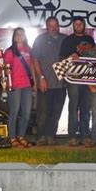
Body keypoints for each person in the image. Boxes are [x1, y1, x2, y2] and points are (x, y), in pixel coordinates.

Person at [59, 16, 95, 147]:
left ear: (84, 25)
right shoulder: (68, 40)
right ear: (73, 26)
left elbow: (95, 57)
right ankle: (72, 136)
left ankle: (85, 136)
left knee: (86, 107)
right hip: (73, 77)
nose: (79, 26)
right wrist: (70, 56)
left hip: (86, 77)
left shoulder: (90, 39)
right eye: (76, 24)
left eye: (81, 24)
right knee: (73, 107)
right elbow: (61, 58)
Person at [31, 17, 67, 146]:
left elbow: (72, 57)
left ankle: (51, 136)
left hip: (61, 84)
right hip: (45, 83)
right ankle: (41, 136)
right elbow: (34, 60)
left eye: (56, 25)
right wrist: (40, 78)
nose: (54, 28)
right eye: (51, 25)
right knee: (43, 113)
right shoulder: (40, 39)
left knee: (56, 113)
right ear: (46, 26)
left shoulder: (65, 39)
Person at [4, 27, 36, 148]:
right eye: (17, 34)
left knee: (27, 113)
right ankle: (12, 138)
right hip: (15, 86)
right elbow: (6, 69)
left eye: (22, 34)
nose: (19, 36)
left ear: (25, 36)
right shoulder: (9, 51)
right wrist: (7, 82)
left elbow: (32, 66)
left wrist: (35, 83)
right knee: (14, 112)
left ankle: (21, 136)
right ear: (14, 36)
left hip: (27, 85)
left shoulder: (29, 49)